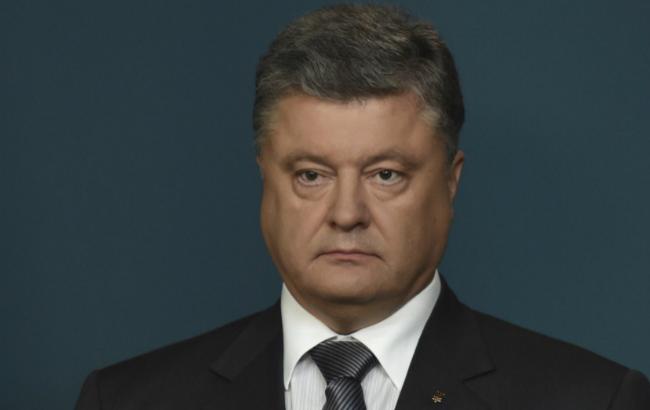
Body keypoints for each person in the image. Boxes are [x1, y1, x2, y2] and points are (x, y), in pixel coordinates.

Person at [75, 4, 650, 409]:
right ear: (264, 178)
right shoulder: (126, 401)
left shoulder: (594, 400)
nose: (347, 213)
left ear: (451, 182)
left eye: (385, 175)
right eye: (311, 175)